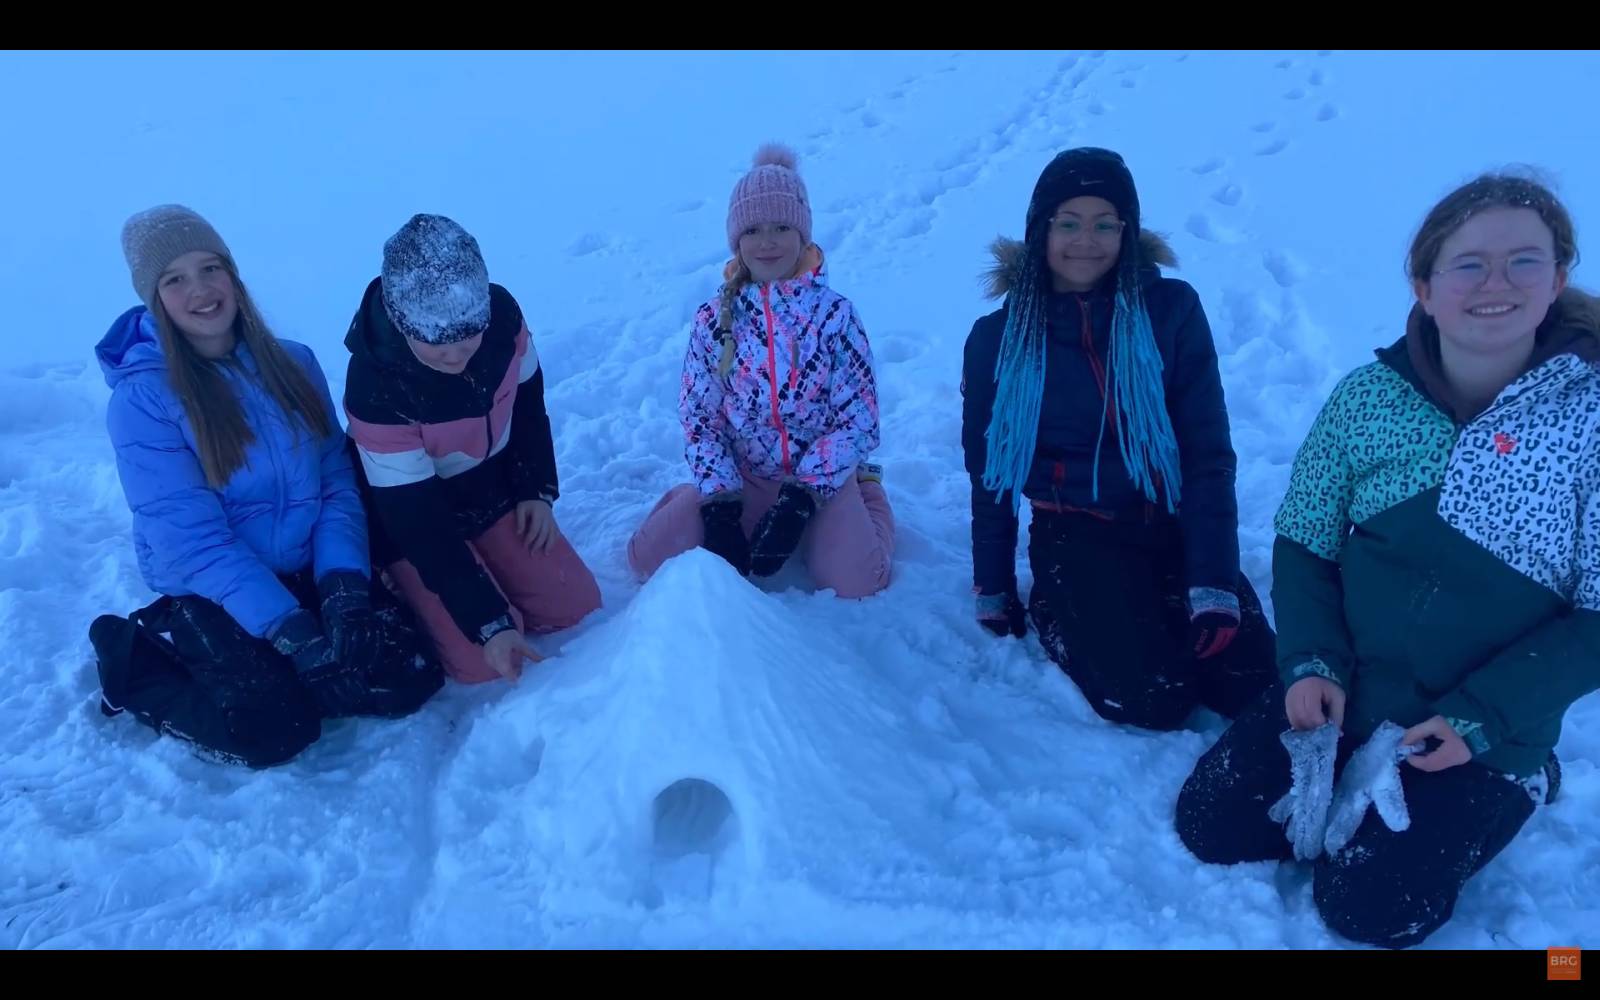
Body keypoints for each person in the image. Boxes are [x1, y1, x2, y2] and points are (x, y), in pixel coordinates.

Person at [1175, 172, 1595, 948]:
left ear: (1559, 276)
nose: (1494, 284)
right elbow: (1305, 539)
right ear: (1425, 286)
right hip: (1348, 690)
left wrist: (1484, 719)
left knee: (1369, 909)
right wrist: (1308, 664)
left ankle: (1530, 783)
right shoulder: (1370, 398)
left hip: (1482, 725)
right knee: (1214, 827)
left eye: (1523, 261)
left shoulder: (1592, 422)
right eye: (1468, 264)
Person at [90, 205, 442, 768]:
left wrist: (344, 587)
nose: (200, 290)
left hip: (303, 561)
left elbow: (334, 481)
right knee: (275, 729)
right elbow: (193, 542)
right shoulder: (143, 403)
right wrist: (292, 633)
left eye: (210, 268)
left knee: (407, 674)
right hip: (211, 583)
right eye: (174, 279)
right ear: (154, 298)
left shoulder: (293, 364)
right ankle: (139, 657)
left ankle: (279, 648)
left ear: (233, 274)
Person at [961, 147, 1275, 731]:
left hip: (1171, 519)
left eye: (1107, 224)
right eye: (1070, 223)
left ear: (1128, 232)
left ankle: (1169, 598)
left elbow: (1207, 453)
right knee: (1153, 699)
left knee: (1253, 682)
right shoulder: (996, 339)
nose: (1089, 240)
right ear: (1041, 230)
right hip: (1075, 528)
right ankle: (1058, 606)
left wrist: (1212, 582)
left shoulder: (1171, 311)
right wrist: (994, 585)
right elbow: (990, 471)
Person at [342, 213, 601, 685]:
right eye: (437, 343)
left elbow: (527, 409)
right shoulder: (375, 386)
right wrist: (489, 624)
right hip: (410, 518)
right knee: (480, 659)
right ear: (402, 322)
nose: (457, 355)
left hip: (486, 489)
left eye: (468, 337)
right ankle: (404, 582)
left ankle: (487, 561)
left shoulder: (503, 320)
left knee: (575, 606)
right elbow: (416, 519)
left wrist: (535, 489)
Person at [627, 144, 894, 597]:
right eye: (753, 229)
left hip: (818, 480)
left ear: (803, 235)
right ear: (736, 240)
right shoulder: (715, 319)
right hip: (744, 476)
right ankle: (692, 502)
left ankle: (866, 492)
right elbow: (700, 420)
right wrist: (719, 506)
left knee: (859, 581)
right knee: (646, 560)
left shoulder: (835, 316)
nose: (767, 241)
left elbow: (858, 420)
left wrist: (801, 501)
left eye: (781, 227)